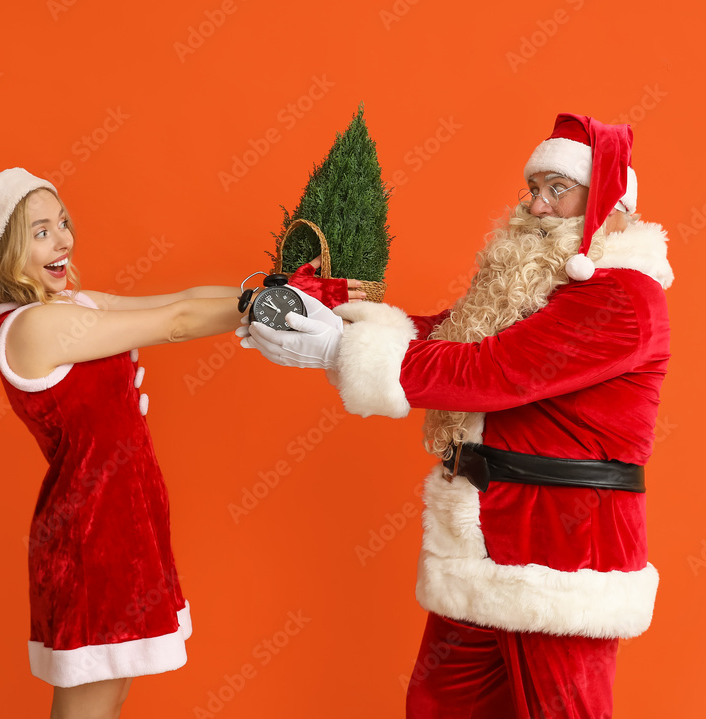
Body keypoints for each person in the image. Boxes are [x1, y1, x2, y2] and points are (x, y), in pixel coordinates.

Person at [240, 114, 674, 718]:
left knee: (559, 710)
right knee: (443, 703)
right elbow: (452, 337)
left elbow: (492, 372)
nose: (536, 205)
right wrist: (339, 322)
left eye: (558, 189)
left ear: (610, 205)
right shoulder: (541, 289)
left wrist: (342, 352)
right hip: (483, 533)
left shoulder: (621, 297)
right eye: (534, 187)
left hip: (562, 547)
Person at [0, 168, 364, 718]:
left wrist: (279, 291)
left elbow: (183, 298)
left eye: (63, 223)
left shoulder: (72, 306)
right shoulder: (34, 328)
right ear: (2, 249)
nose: (63, 239)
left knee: (110, 695)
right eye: (40, 231)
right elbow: (176, 323)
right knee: (87, 705)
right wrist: (273, 305)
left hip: (122, 522)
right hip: (90, 537)